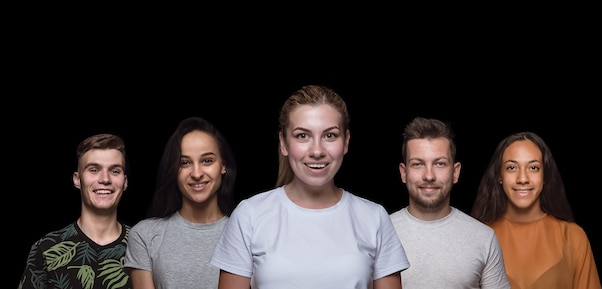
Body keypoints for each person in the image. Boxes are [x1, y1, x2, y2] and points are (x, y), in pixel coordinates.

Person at [210, 85, 409, 289]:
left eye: (329, 135)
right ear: (283, 143)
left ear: (346, 141)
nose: (316, 151)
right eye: (302, 136)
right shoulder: (249, 215)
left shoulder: (374, 218)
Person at [389, 117, 510, 289]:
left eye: (439, 164)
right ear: (403, 172)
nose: (429, 176)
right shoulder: (379, 234)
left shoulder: (484, 238)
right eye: (418, 164)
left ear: (455, 172)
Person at [470, 131, 602, 289]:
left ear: (545, 176)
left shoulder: (573, 237)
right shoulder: (478, 237)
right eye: (512, 167)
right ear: (500, 176)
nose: (523, 179)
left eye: (533, 168)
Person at [124, 116, 237, 289]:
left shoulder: (244, 234)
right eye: (184, 163)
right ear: (173, 170)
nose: (197, 173)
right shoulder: (145, 235)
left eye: (207, 160)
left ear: (223, 165)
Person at [18, 133, 132, 289]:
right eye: (93, 170)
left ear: (125, 182)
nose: (105, 179)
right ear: (77, 179)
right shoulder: (46, 248)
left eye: (115, 171)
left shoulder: (142, 247)